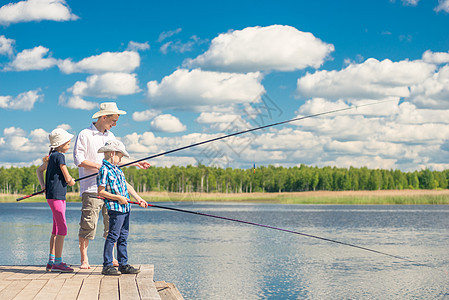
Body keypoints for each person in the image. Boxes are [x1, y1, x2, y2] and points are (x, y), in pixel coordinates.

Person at [73, 102, 150, 269]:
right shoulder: (85, 134)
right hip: (91, 188)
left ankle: (113, 258)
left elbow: (117, 159)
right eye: (113, 120)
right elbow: (79, 161)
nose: (115, 124)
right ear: (103, 117)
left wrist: (136, 163)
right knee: (88, 224)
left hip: (112, 190)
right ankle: (84, 259)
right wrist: (102, 168)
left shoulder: (111, 136)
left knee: (112, 225)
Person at [96, 139, 148, 275]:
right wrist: (118, 198)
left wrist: (139, 198)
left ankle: (123, 264)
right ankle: (107, 265)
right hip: (115, 209)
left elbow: (127, 186)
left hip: (126, 209)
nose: (121, 159)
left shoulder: (118, 170)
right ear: (113, 153)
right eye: (120, 156)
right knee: (113, 235)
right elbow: (100, 192)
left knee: (123, 237)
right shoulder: (104, 170)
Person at [37, 128, 76, 273]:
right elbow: (67, 177)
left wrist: (43, 185)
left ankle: (51, 261)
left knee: (56, 228)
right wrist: (71, 181)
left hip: (54, 196)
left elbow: (39, 171)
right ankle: (58, 263)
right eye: (68, 143)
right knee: (63, 228)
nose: (69, 145)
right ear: (60, 144)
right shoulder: (59, 156)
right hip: (57, 196)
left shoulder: (51, 156)